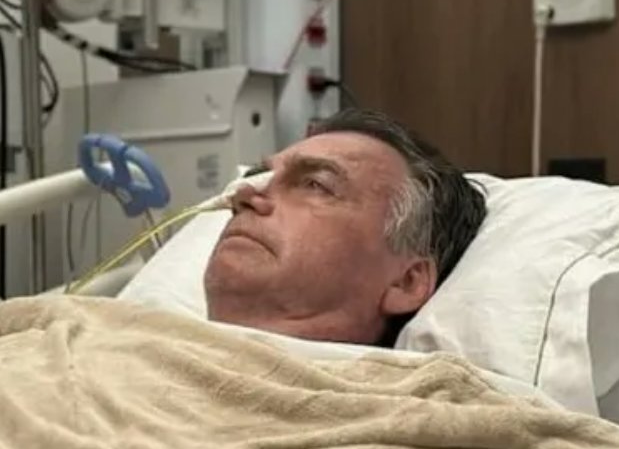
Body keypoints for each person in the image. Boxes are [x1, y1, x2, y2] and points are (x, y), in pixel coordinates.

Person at [204, 108, 486, 346]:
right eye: (257, 178)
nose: (244, 196)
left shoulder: (432, 396)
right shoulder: (176, 346)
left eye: (315, 184)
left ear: (406, 282)